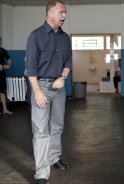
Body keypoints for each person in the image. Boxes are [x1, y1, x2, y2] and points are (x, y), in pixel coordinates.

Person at [25, 1, 72, 184]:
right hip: (41, 87)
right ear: (50, 12)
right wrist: (36, 91)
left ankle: (54, 158)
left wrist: (63, 77)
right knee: (41, 131)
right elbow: (30, 68)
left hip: (59, 89)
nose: (64, 16)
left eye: (65, 13)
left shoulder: (65, 37)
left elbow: (68, 62)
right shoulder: (35, 36)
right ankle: (41, 173)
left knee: (57, 126)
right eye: (62, 12)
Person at [0, 36, 13, 115]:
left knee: (2, 92)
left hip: (1, 74)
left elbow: (9, 60)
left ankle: (5, 109)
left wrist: (8, 65)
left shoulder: (3, 51)